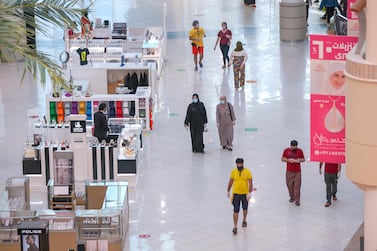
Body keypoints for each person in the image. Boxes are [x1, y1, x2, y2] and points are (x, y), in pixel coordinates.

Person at [227, 158, 253, 234]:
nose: (239, 165)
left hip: (245, 194)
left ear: (243, 164)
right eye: (238, 164)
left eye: (240, 164)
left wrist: (249, 192)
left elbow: (250, 182)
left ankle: (244, 219)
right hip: (236, 194)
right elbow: (231, 182)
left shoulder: (247, 172)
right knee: (236, 210)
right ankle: (235, 226)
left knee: (245, 208)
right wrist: (228, 190)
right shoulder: (233, 172)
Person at [281, 140, 305, 206]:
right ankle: (292, 197)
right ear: (290, 145)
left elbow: (303, 159)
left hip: (297, 172)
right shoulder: (286, 151)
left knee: (297, 186)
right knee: (289, 185)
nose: (294, 148)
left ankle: (297, 200)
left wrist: (298, 161)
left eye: (295, 147)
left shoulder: (300, 151)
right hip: (289, 171)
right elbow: (282, 159)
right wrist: (288, 160)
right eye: (293, 147)